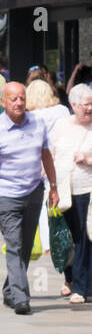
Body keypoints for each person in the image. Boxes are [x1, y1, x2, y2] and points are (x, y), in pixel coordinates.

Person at [0, 82, 59, 316]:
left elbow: (46, 156)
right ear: (3, 102)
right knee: (14, 244)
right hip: (6, 195)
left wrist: (53, 186)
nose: (19, 103)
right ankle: (21, 297)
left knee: (24, 246)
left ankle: (9, 289)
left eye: (22, 98)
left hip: (33, 191)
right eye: (13, 99)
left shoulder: (37, 123)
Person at [49, 84, 92, 304]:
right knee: (66, 238)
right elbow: (49, 156)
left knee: (85, 238)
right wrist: (50, 186)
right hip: (63, 190)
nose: (90, 108)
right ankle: (71, 279)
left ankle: (82, 287)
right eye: (86, 104)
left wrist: (88, 160)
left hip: (87, 189)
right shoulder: (61, 126)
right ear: (73, 105)